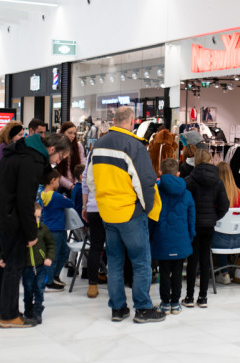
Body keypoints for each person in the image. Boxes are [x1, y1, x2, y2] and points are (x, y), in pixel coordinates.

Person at [0, 132, 70, 327]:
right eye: (60, 157)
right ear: (52, 149)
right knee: (14, 262)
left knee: (0, 260)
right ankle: (9, 315)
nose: (58, 162)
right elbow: (25, 199)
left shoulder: (27, 150)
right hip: (4, 212)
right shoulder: (32, 160)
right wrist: (30, 233)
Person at [91, 106, 165, 324]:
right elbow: (145, 182)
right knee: (141, 262)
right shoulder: (134, 145)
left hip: (107, 212)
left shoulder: (99, 144)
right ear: (132, 121)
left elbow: (91, 180)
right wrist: (146, 208)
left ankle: (118, 308)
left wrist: (103, 202)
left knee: (114, 262)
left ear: (114, 120)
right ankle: (143, 308)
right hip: (130, 212)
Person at [183, 150, 229, 308]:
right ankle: (203, 297)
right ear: (210, 160)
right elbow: (224, 205)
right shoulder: (218, 181)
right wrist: (214, 217)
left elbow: (184, 204)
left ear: (195, 161)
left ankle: (189, 297)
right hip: (209, 225)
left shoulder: (189, 180)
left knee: (192, 260)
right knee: (205, 259)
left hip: (193, 224)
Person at [150, 158, 195, 315]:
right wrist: (190, 236)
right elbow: (191, 218)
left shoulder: (155, 192)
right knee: (178, 271)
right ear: (178, 173)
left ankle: (165, 303)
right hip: (181, 238)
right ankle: (175, 303)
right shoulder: (187, 194)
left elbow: (151, 218)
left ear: (160, 172)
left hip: (161, 238)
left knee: (163, 271)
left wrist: (150, 236)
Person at [38, 169, 75, 291]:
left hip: (52, 228)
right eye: (58, 181)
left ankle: (54, 276)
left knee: (63, 252)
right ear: (52, 180)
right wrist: (64, 197)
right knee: (55, 255)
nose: (59, 184)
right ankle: (49, 281)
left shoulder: (42, 194)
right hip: (56, 230)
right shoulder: (56, 196)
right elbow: (70, 203)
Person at [21, 203, 55, 324]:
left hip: (40, 266)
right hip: (27, 268)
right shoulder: (21, 231)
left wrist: (49, 257)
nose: (36, 220)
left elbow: (51, 244)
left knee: (39, 289)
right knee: (28, 289)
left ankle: (37, 310)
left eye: (39, 217)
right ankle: (28, 310)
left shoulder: (43, 229)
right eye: (33, 217)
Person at [212, 161, 240, 284]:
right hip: (239, 240)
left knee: (207, 235)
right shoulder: (239, 193)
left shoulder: (214, 193)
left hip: (219, 241)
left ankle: (201, 274)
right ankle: (225, 273)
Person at [83, 150, 106, 299]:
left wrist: (84, 205)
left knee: (95, 247)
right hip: (112, 207)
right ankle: (117, 283)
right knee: (116, 247)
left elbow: (85, 180)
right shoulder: (118, 150)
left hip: (94, 206)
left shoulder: (93, 153)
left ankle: (92, 285)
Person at [56, 121, 86, 196]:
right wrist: (70, 186)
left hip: (77, 185)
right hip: (60, 187)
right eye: (70, 133)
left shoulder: (78, 146)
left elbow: (82, 167)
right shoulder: (56, 147)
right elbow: (55, 171)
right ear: (62, 133)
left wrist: (77, 184)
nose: (72, 136)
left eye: (74, 134)